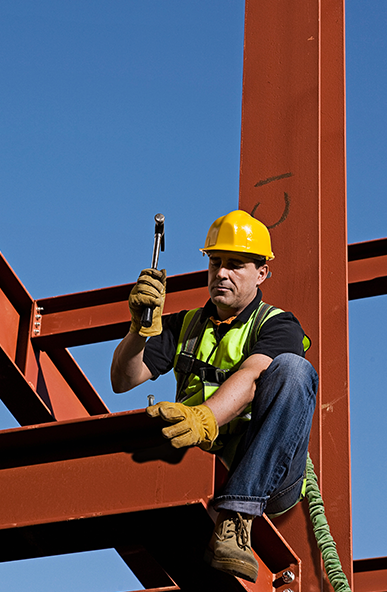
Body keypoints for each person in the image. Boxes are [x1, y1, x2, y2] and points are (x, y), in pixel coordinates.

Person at [110, 210, 318, 583]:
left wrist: (203, 417)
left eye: (235, 265)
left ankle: (237, 516)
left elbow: (255, 374)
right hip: (200, 459)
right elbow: (123, 379)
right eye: (215, 262)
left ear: (261, 273)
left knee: (293, 370)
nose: (221, 273)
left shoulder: (278, 324)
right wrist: (139, 330)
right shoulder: (184, 325)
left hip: (268, 476)